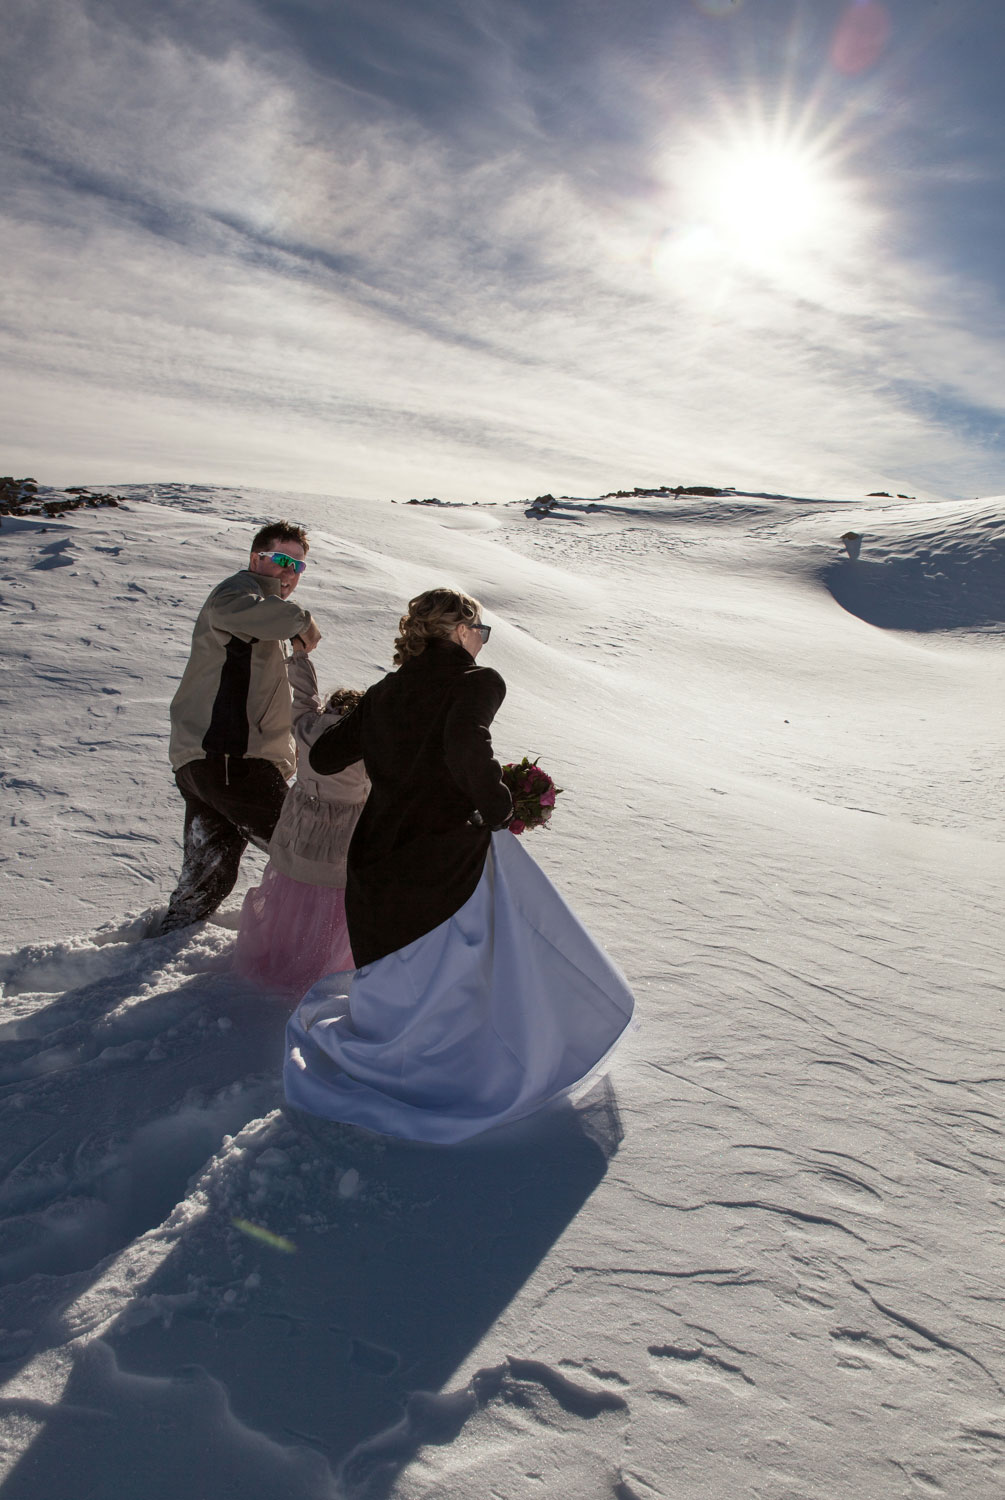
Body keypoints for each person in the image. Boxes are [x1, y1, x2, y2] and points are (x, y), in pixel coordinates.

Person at [283, 587, 636, 1144]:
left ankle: (396, 1059)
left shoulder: (384, 690)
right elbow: (464, 741)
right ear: (458, 630)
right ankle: (456, 1069)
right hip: (442, 852)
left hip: (375, 854)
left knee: (401, 966)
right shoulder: (478, 681)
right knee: (456, 962)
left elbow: (326, 756)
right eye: (481, 630)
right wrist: (496, 807)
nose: (483, 641)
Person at [156, 521, 322, 935]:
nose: (289, 572)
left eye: (298, 566)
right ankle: (339, 952)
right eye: (281, 560)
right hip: (233, 759)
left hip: (209, 764)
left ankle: (157, 950)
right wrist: (301, 620)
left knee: (208, 877)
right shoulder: (239, 593)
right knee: (306, 851)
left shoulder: (263, 615)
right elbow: (249, 613)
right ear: (256, 558)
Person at [232, 646, 369, 996]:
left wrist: (300, 658)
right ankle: (325, 963)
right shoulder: (364, 747)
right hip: (342, 839)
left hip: (301, 829)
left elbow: (304, 696)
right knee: (335, 902)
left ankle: (287, 950)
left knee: (295, 893)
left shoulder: (308, 726)